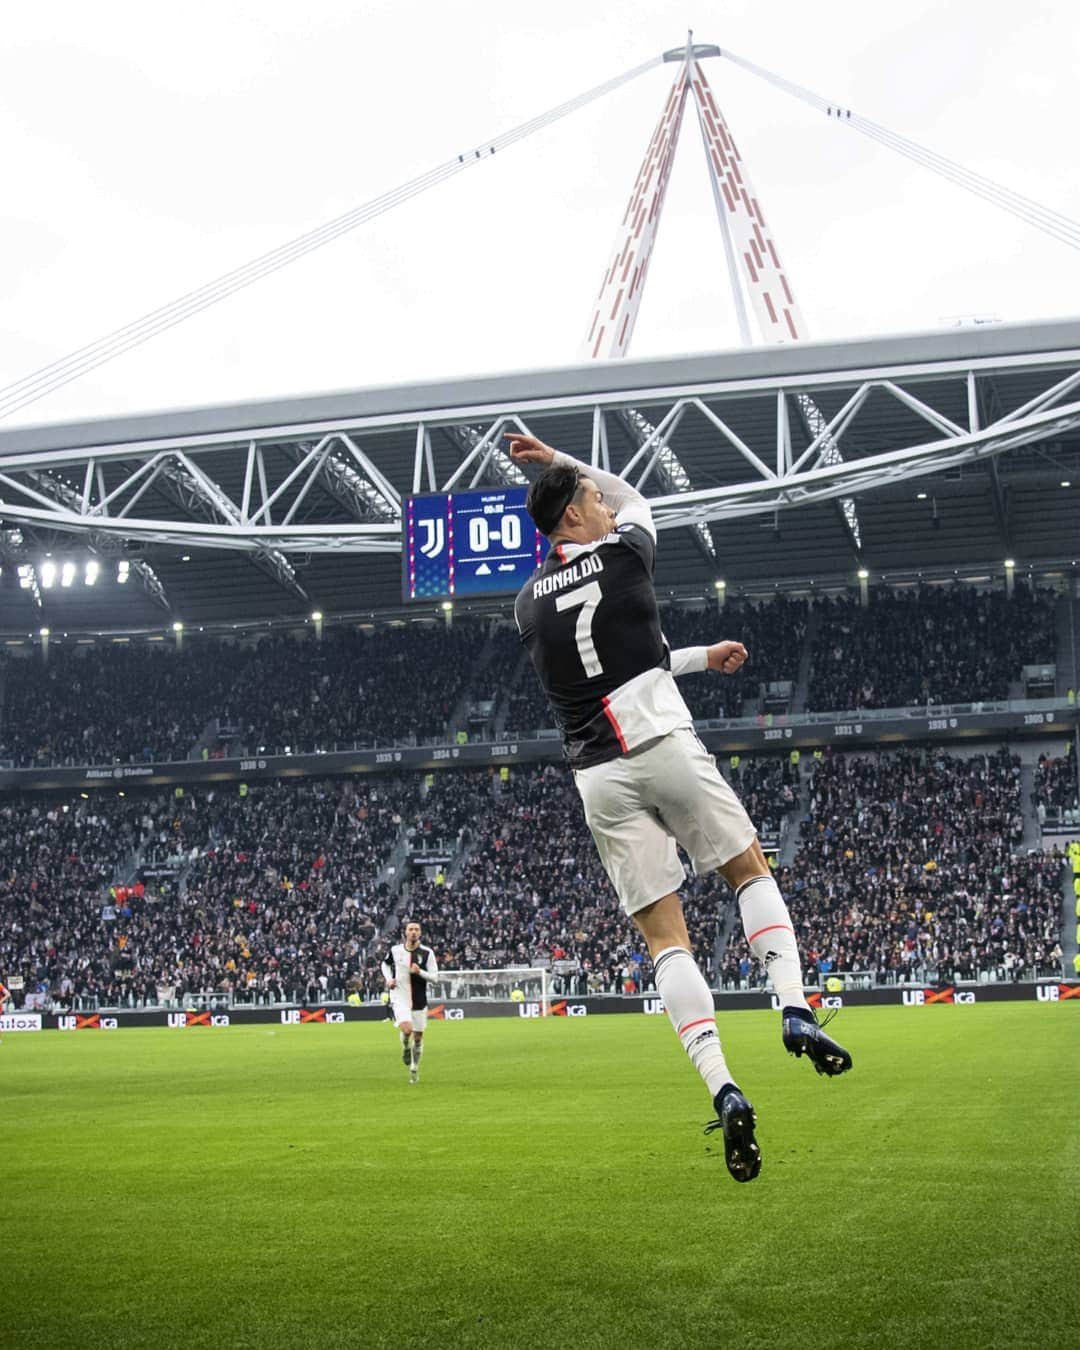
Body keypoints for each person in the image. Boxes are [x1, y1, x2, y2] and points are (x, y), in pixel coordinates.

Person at [508, 431, 852, 1183]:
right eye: (588, 499)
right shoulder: (627, 552)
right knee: (746, 867)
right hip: (663, 741)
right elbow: (634, 497)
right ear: (571, 514)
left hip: (598, 774)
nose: (603, 503)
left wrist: (700, 656)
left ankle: (724, 1087)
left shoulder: (527, 605)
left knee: (666, 939)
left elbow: (620, 654)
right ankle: (792, 1005)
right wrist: (560, 458)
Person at [381, 921, 439, 1084]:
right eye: (410, 929)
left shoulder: (427, 953)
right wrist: (388, 979)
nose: (413, 932)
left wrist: (419, 971)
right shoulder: (395, 950)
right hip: (399, 997)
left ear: (420, 933)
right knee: (407, 1030)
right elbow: (385, 965)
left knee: (418, 1037)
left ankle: (414, 1068)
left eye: (416, 929)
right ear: (405, 932)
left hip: (419, 1000)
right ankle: (406, 1047)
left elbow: (435, 977)